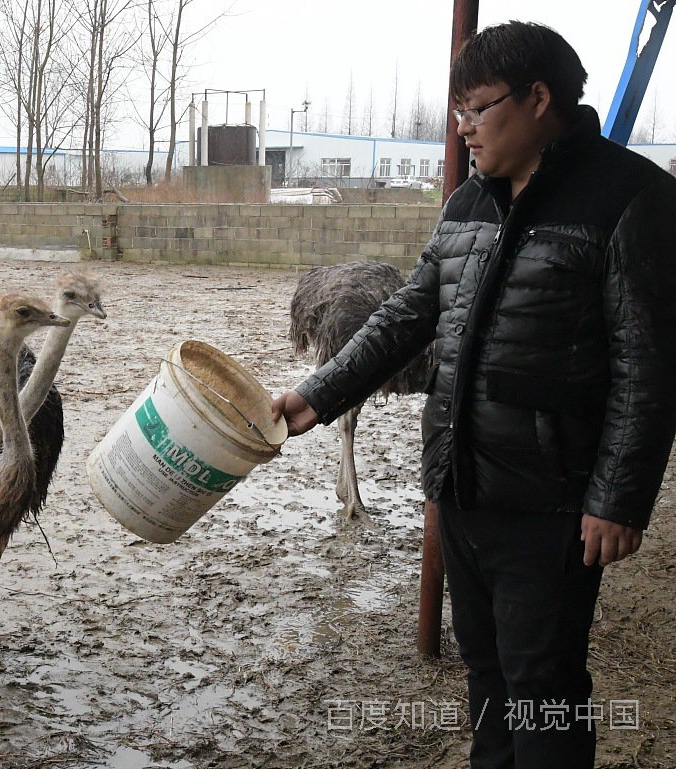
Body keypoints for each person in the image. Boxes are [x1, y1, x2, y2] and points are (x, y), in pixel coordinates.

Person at [270, 21, 676, 769]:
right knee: (484, 674)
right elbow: (406, 316)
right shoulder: (467, 203)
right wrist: (315, 396)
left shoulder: (631, 198)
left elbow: (648, 364)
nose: (462, 128)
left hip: (552, 502)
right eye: (458, 112)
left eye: (476, 110)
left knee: (543, 689)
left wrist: (619, 498)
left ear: (539, 98)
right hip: (462, 486)